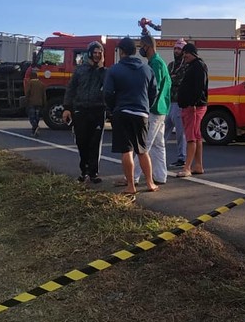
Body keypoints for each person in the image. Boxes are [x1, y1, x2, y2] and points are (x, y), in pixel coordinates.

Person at [103, 36, 157, 199]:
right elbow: (153, 92)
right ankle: (150, 183)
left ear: (121, 51)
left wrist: (113, 108)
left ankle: (131, 186)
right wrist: (145, 107)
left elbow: (107, 93)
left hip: (122, 112)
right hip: (141, 113)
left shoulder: (114, 70)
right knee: (142, 150)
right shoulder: (147, 69)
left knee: (126, 150)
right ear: (135, 51)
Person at [127, 32, 171, 186]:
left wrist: (146, 105)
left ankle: (133, 177)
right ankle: (160, 175)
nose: (140, 49)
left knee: (144, 144)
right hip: (161, 108)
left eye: (142, 46)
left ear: (148, 46)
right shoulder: (158, 62)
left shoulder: (156, 64)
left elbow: (154, 88)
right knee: (158, 145)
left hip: (154, 109)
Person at [62, 42, 107, 184]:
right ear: (89, 53)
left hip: (98, 110)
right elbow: (70, 89)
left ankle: (93, 173)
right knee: (82, 141)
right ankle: (84, 171)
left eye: (100, 53)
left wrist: (101, 68)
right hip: (80, 110)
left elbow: (109, 89)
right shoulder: (80, 70)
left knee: (95, 143)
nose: (97, 55)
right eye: (95, 52)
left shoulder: (105, 72)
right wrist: (67, 108)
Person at [175, 42, 208, 178]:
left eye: (186, 53)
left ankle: (187, 167)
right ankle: (198, 165)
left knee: (191, 138)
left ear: (193, 53)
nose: (184, 56)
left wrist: (192, 103)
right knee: (197, 136)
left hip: (193, 107)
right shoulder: (194, 66)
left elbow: (199, 87)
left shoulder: (198, 66)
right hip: (192, 106)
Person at [166, 38, 188, 168]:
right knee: (163, 130)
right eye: (175, 48)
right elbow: (167, 81)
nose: (176, 51)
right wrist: (172, 79)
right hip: (169, 102)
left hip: (179, 103)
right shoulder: (171, 65)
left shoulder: (186, 66)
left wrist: (173, 79)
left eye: (179, 49)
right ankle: (157, 155)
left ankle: (182, 157)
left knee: (180, 133)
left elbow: (181, 81)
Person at [23, 67, 46, 137]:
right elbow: (44, 95)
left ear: (31, 77)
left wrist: (26, 101)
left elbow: (27, 93)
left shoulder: (30, 83)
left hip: (31, 102)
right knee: (37, 117)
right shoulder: (42, 84)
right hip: (39, 103)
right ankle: (34, 131)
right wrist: (44, 103)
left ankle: (35, 127)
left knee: (32, 117)